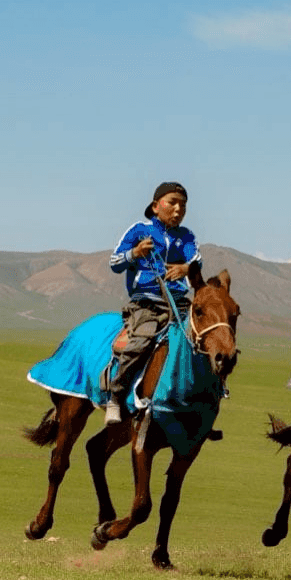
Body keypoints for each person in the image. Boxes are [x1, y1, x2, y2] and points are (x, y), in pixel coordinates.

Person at [100, 181, 201, 425]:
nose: (178, 209)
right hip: (147, 304)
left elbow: (196, 261)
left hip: (180, 303)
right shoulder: (139, 230)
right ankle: (115, 398)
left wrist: (186, 268)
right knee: (140, 343)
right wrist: (135, 253)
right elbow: (115, 263)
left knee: (204, 341)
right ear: (156, 206)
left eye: (183, 205)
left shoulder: (186, 236)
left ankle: (205, 402)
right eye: (173, 203)